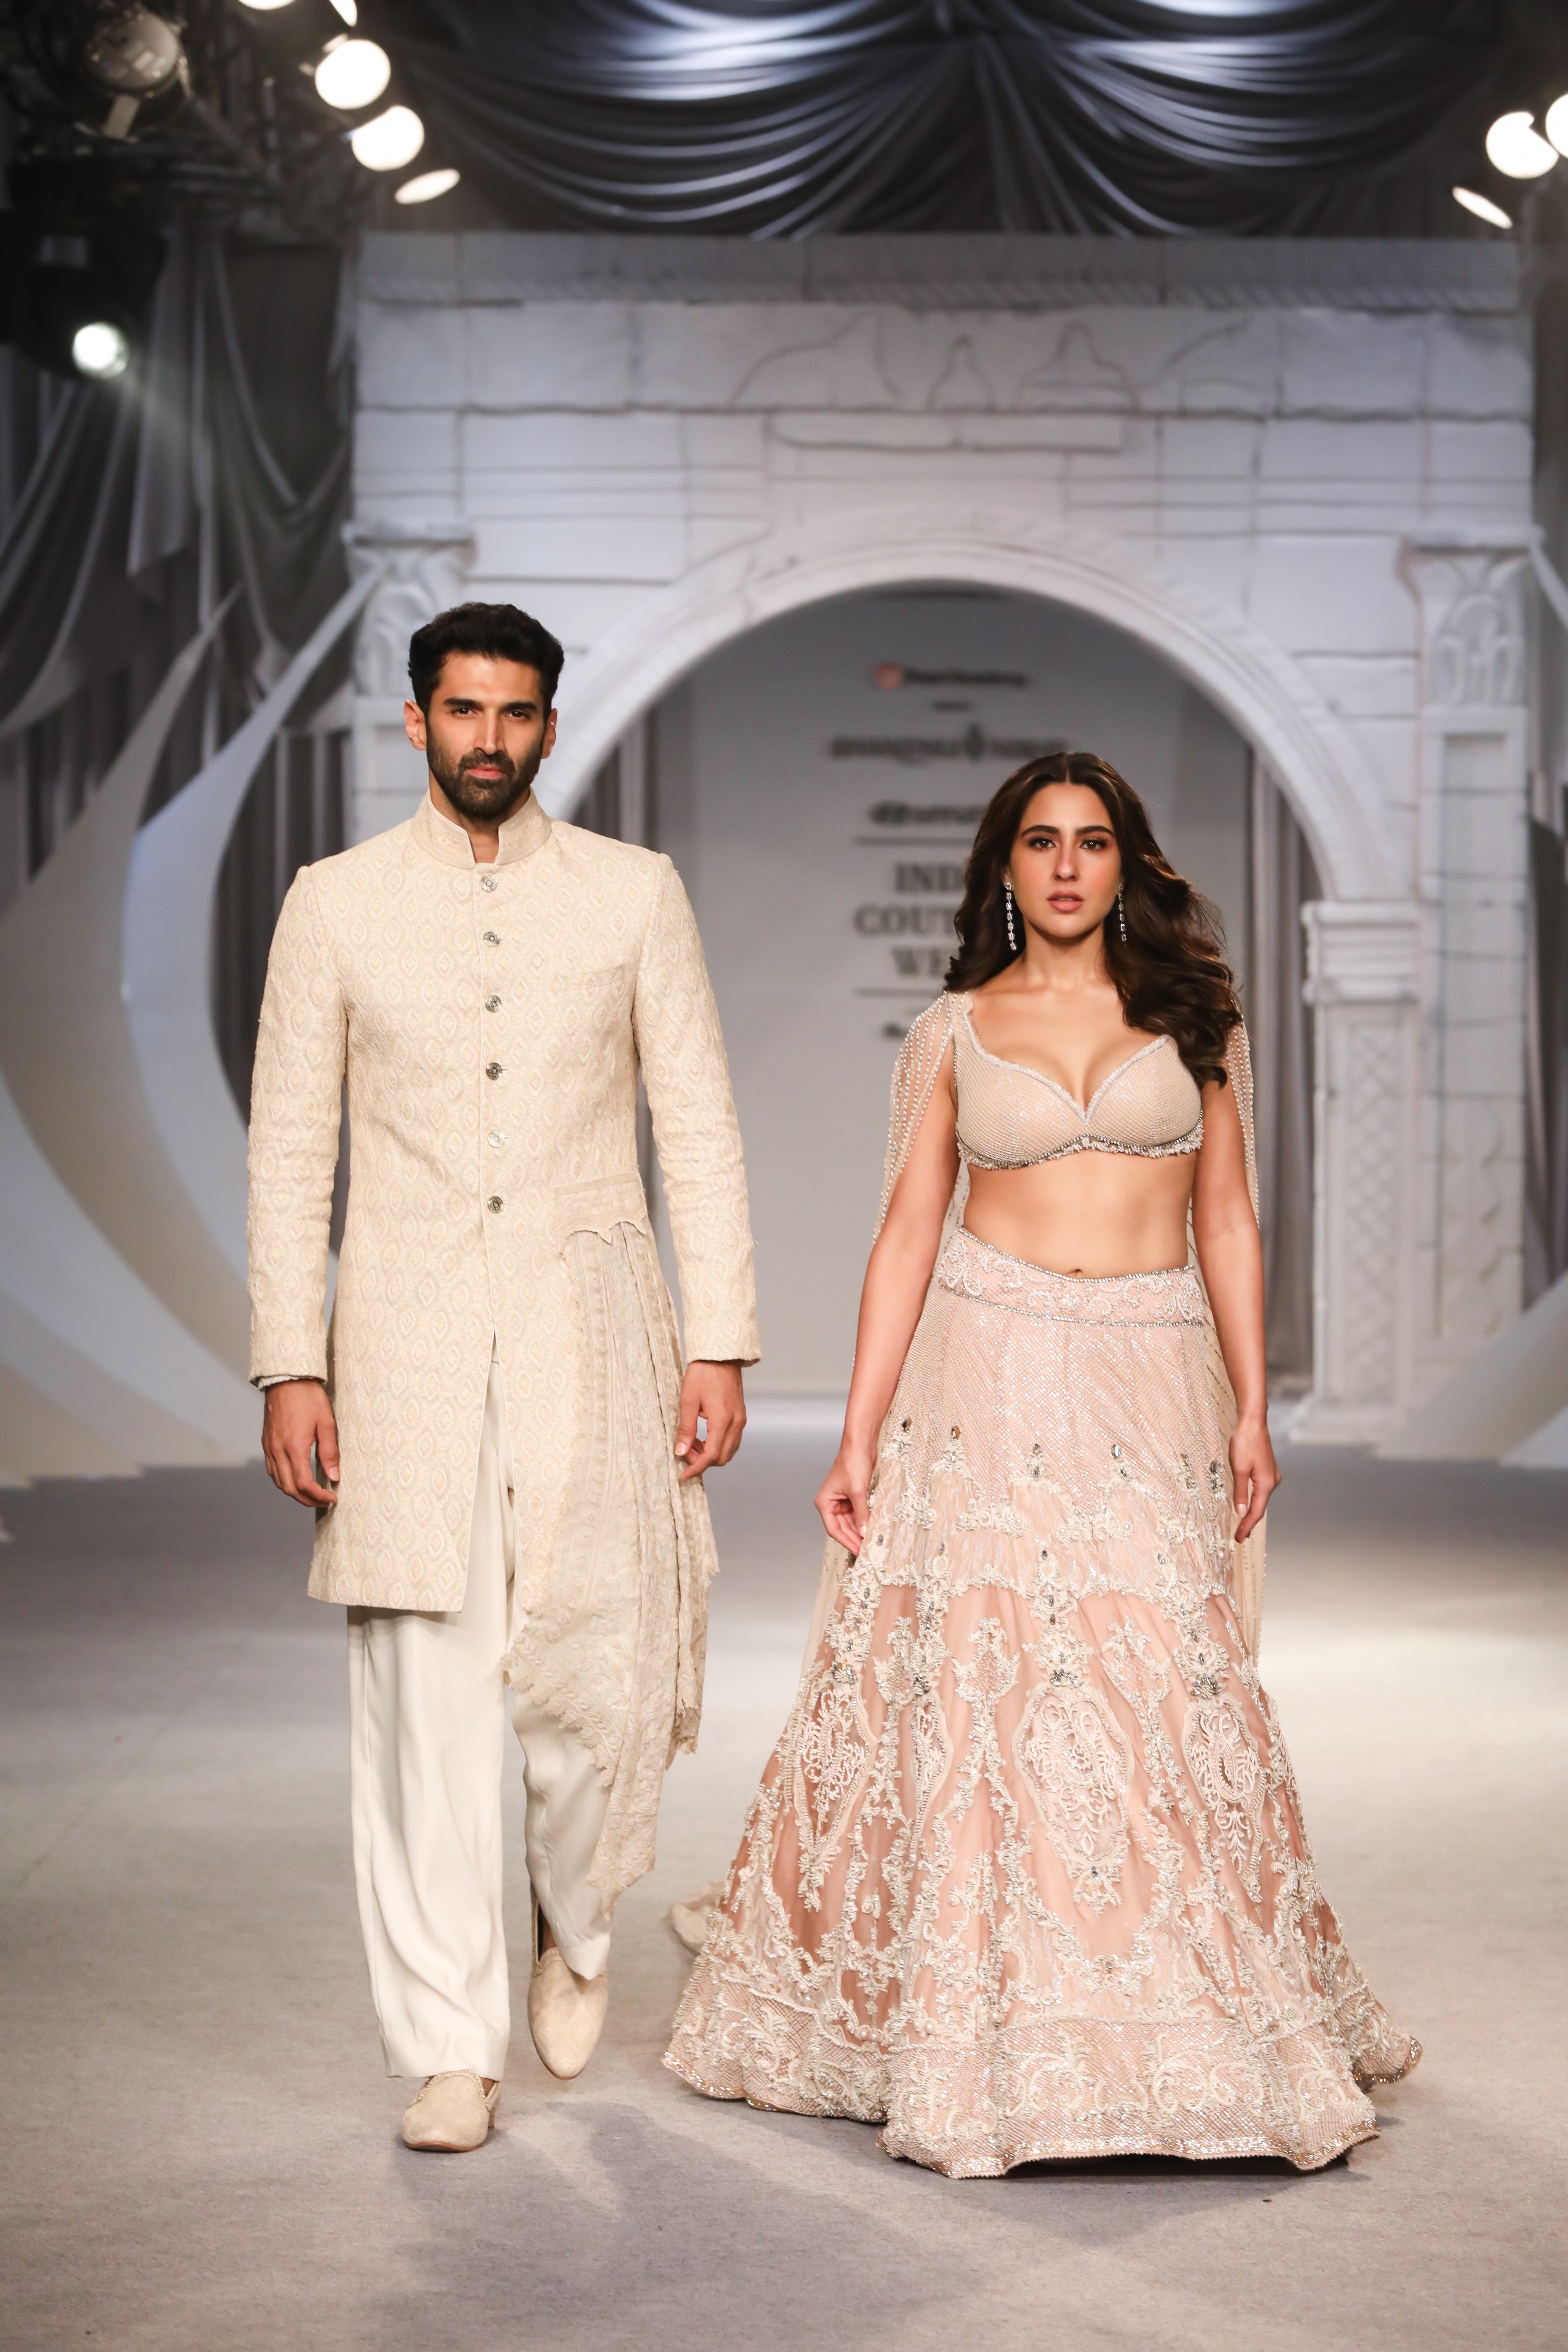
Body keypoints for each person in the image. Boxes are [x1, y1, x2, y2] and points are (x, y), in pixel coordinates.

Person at [665, 749, 1417, 2178]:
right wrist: (860, 1429)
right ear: (1003, 870)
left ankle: (1182, 2013)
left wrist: (1256, 1409)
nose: (1066, 866)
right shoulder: (953, 1029)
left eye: (1090, 841)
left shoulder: (1198, 1018)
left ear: (1126, 862)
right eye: (1038, 842)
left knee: (1161, 1675)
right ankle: (986, 2030)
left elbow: (1234, 1222)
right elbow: (906, 1232)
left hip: (1151, 1370)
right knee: (994, 1678)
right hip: (990, 1368)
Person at [249, 601, 757, 2153]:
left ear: (550, 724)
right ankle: (446, 2044)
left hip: (589, 1334)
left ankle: (575, 1920)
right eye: (463, 712)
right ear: (416, 721)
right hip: (398, 1345)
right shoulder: (332, 905)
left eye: (518, 714)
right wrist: (288, 1361)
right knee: (422, 1695)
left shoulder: (631, 895)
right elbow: (290, 1153)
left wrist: (721, 1337)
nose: (491, 739)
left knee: (574, 1687)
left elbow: (699, 1123)